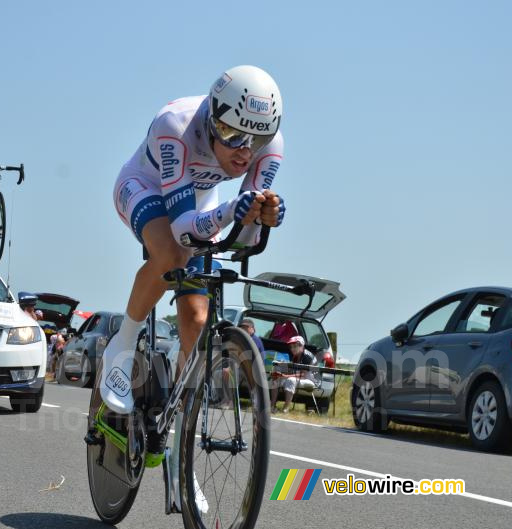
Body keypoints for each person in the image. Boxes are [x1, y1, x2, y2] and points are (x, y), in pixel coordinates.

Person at [100, 65, 286, 512]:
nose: (245, 152)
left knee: (198, 321)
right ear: (211, 120)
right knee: (169, 256)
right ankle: (121, 347)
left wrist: (258, 219)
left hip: (198, 201)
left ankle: (179, 449)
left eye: (256, 140)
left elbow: (238, 240)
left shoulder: (269, 146)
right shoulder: (175, 126)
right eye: (233, 135)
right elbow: (184, 233)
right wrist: (229, 213)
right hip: (144, 188)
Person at [270, 335, 315, 413]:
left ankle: (285, 408)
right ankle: (272, 406)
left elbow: (303, 375)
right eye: (291, 346)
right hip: (300, 377)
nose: (292, 349)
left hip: (310, 380)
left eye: (294, 346)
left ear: (301, 346)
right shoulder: (295, 355)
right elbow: (294, 371)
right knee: (276, 378)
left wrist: (285, 375)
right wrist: (279, 373)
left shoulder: (307, 356)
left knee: (291, 380)